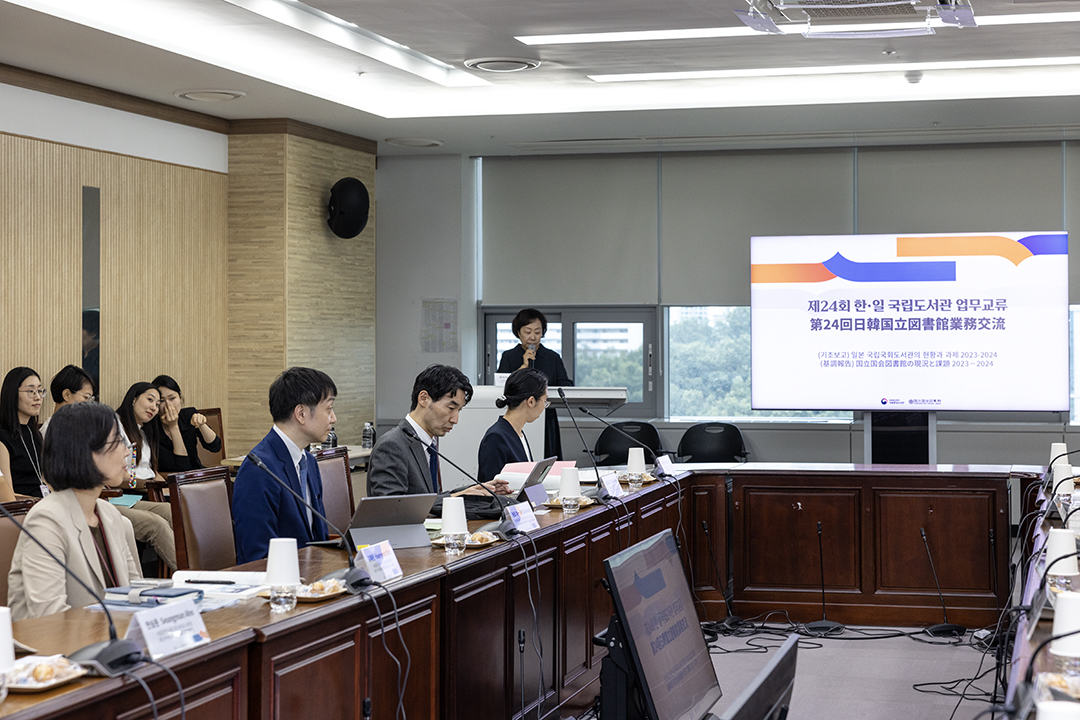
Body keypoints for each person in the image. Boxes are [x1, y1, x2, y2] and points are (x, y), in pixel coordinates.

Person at [8, 401, 142, 621]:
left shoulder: (109, 514)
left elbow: (136, 594)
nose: (127, 451)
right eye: (118, 441)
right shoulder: (46, 521)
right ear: (86, 451)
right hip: (59, 642)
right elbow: (50, 617)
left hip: (115, 637)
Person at [367, 364, 511, 518]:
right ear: (424, 399)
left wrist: (471, 492)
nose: (455, 419)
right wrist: (455, 497)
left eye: (459, 410)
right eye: (451, 408)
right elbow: (391, 509)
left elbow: (429, 497)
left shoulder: (427, 442)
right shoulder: (392, 445)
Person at [232, 367, 334, 564]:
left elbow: (319, 538)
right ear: (301, 413)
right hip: (277, 579)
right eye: (329, 409)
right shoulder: (258, 469)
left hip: (312, 573)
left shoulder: (309, 461)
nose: (333, 418)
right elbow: (258, 556)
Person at [115, 382, 177, 572]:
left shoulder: (143, 430)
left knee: (175, 510)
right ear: (133, 399)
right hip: (130, 491)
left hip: (143, 489)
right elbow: (123, 475)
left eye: (157, 404)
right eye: (150, 400)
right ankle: (191, 573)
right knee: (159, 523)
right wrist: (145, 484)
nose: (154, 407)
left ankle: (201, 565)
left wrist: (169, 487)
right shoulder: (115, 426)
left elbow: (150, 469)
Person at [496, 309, 573, 461]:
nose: (532, 337)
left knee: (548, 456)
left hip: (545, 415)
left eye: (537, 332)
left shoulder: (552, 357)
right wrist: (523, 366)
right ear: (518, 332)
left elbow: (566, 385)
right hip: (518, 415)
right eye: (527, 332)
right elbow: (501, 386)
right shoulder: (509, 356)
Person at [477, 368, 549, 485]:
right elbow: (489, 488)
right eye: (544, 401)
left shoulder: (519, 433)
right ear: (531, 401)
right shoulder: (496, 437)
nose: (544, 407)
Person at [151, 374, 221, 472]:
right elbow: (182, 468)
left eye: (172, 398)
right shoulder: (151, 427)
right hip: (171, 478)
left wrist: (202, 425)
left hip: (197, 473)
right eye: (162, 401)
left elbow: (216, 447)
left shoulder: (188, 415)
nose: (168, 405)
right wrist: (173, 426)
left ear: (180, 398)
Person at [0, 367, 47, 500]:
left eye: (40, 391)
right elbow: (7, 496)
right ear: (13, 394)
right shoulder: (3, 437)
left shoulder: (35, 434)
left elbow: (45, 480)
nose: (38, 397)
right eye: (31, 391)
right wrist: (41, 503)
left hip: (43, 503)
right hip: (23, 507)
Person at [41, 364, 96, 436]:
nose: (89, 404)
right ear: (66, 395)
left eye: (91, 399)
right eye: (86, 397)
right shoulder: (49, 431)